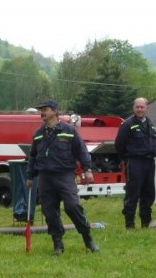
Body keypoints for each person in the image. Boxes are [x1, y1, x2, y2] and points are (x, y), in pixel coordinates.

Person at [25, 100, 100, 254]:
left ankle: (87, 237)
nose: (42, 113)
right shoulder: (39, 134)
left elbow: (82, 150)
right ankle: (57, 243)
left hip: (64, 175)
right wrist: (30, 176)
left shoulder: (69, 130)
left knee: (72, 206)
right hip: (45, 177)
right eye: (41, 110)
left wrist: (87, 169)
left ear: (54, 111)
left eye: (45, 109)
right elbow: (32, 157)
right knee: (49, 211)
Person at [114, 97, 156, 229]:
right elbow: (119, 144)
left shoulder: (150, 123)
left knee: (148, 193)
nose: (139, 109)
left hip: (149, 162)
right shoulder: (127, 124)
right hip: (135, 162)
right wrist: (127, 159)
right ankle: (130, 224)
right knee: (133, 193)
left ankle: (146, 222)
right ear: (133, 108)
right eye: (137, 107)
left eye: (142, 107)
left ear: (147, 108)